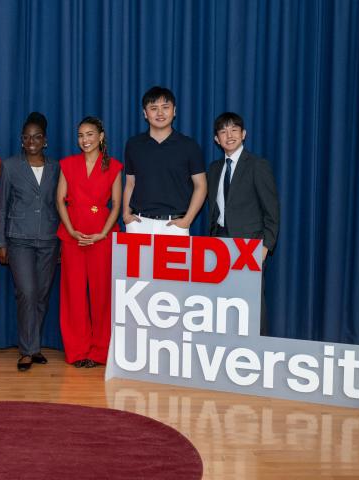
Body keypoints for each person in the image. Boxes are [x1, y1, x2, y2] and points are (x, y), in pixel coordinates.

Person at [0, 112, 60, 372]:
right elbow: (0, 207)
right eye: (27, 137)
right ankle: (26, 350)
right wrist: (0, 242)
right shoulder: (10, 166)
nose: (31, 141)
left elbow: (60, 205)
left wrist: (63, 243)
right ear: (22, 141)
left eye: (37, 137)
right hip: (18, 239)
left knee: (42, 295)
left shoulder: (56, 168)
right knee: (27, 293)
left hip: (49, 238)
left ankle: (35, 347)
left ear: (44, 140)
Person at [56, 116, 122, 368]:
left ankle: (99, 351)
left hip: (101, 237)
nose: (85, 140)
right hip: (73, 237)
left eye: (90, 134)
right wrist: (71, 231)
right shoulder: (68, 164)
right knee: (73, 295)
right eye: (81, 135)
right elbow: (59, 199)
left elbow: (116, 204)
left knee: (101, 295)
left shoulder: (114, 166)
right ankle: (77, 350)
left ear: (101, 136)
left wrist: (104, 233)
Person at [208, 112, 280, 335]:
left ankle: (258, 351)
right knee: (223, 301)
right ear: (216, 139)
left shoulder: (257, 165)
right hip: (219, 242)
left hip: (250, 244)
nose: (229, 135)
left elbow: (272, 210)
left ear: (244, 134)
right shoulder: (213, 169)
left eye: (234, 130)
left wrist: (265, 246)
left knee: (252, 301)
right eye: (223, 131)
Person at [123, 86, 207, 235]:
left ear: (174, 111)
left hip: (175, 226)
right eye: (153, 108)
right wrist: (126, 215)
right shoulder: (133, 144)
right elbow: (130, 182)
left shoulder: (189, 145)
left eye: (165, 107)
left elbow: (201, 185)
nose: (160, 113)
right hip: (138, 224)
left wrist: (187, 220)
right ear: (145, 113)